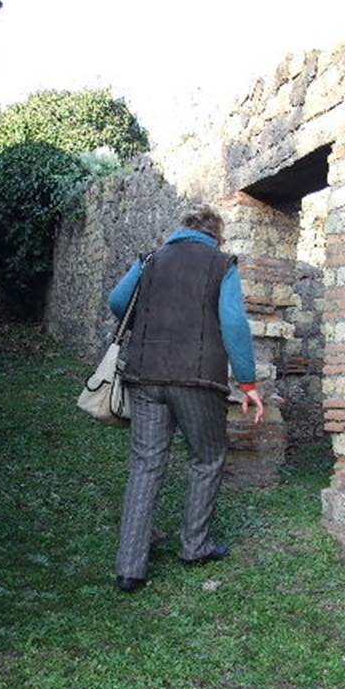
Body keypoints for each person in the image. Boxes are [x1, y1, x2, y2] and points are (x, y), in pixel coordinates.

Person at [108, 205, 264, 593]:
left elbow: (116, 302)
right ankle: (195, 546)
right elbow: (233, 322)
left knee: (146, 465)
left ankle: (130, 568)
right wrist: (247, 382)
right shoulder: (221, 263)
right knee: (207, 458)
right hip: (197, 380)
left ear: (182, 230)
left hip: (145, 375)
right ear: (216, 235)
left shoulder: (150, 260)